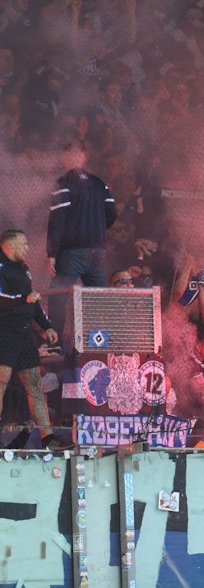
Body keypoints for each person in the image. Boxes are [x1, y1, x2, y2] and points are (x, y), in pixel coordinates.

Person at [46, 141, 117, 348]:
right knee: (98, 300)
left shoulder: (63, 183)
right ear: (83, 158)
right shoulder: (99, 183)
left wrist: (52, 252)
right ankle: (101, 345)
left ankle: (55, 342)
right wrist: (97, 229)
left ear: (64, 158)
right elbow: (112, 214)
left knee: (58, 294)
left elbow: (57, 220)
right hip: (98, 251)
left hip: (72, 252)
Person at [0, 230, 67, 450]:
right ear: (9, 246)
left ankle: (49, 438)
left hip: (25, 333)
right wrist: (23, 299)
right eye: (23, 244)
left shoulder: (24, 269)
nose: (28, 248)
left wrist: (47, 325)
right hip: (5, 332)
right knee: (1, 382)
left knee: (35, 386)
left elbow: (33, 300)